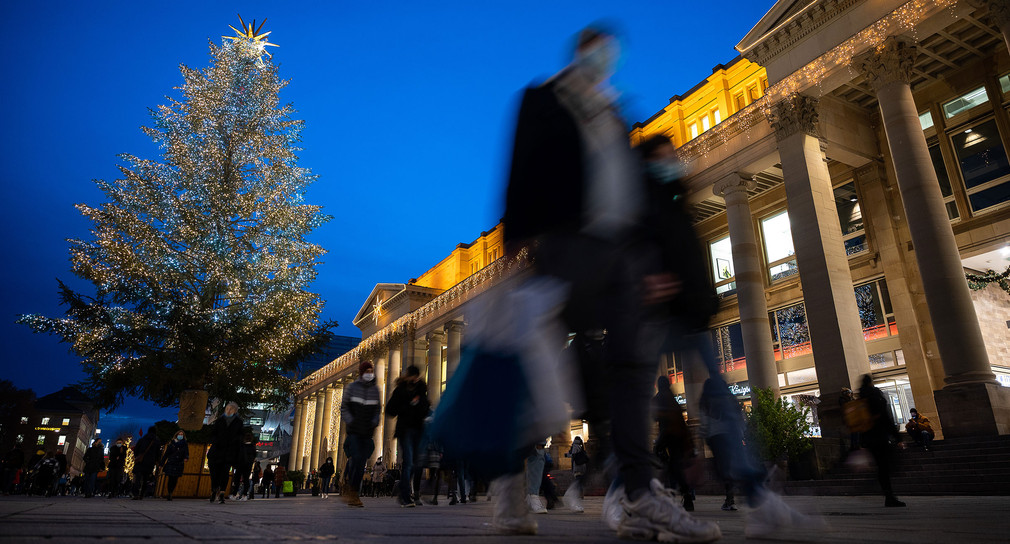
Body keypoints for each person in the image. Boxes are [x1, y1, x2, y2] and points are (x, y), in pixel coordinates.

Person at [501, 25, 721, 541]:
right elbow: (522, 165)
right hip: (564, 244)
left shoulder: (614, 112)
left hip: (622, 254)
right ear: (580, 51)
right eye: (597, 48)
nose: (605, 57)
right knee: (544, 370)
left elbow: (629, 187)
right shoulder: (544, 99)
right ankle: (510, 479)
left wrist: (656, 259)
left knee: (631, 367)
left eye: (611, 51)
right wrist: (515, 237)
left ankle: (641, 493)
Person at [384, 364, 430, 507]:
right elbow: (390, 410)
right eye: (412, 376)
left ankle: (403, 491)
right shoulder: (400, 390)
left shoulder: (422, 391)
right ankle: (405, 496)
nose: (414, 379)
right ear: (407, 376)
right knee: (409, 462)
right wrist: (406, 406)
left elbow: (426, 409)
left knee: (416, 464)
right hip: (405, 430)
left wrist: (420, 405)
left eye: (416, 377)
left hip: (418, 429)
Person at [860, 374, 906, 507]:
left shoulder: (860, 398)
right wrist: (898, 437)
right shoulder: (875, 395)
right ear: (871, 382)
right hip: (880, 436)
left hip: (868, 438)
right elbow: (885, 417)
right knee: (885, 465)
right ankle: (888, 495)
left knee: (881, 466)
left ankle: (887, 493)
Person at [340, 361, 381, 508]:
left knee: (361, 462)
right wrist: (351, 421)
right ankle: (353, 491)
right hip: (355, 430)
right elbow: (344, 407)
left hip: (367, 431)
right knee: (356, 459)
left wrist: (375, 422)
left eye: (371, 370)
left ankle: (353, 491)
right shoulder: (352, 387)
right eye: (367, 371)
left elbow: (377, 410)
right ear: (362, 372)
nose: (369, 373)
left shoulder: (375, 390)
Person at [653, 375, 694, 511]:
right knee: (673, 466)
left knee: (671, 466)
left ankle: (671, 495)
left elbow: (655, 416)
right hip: (677, 437)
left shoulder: (660, 398)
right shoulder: (672, 399)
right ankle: (680, 494)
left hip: (668, 436)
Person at [207, 402, 244, 504]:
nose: (228, 410)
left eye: (231, 409)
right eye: (227, 408)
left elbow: (240, 436)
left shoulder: (238, 422)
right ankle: (214, 489)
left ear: (235, 411)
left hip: (229, 453)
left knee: (225, 473)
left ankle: (222, 492)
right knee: (214, 473)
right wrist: (216, 441)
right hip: (217, 451)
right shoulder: (219, 420)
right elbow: (213, 434)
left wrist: (235, 443)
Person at [131, 428, 161, 500]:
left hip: (140, 461)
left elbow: (136, 449)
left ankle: (136, 493)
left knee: (138, 478)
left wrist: (137, 457)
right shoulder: (156, 441)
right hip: (150, 462)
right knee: (145, 479)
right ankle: (142, 494)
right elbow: (158, 453)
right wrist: (156, 461)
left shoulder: (142, 439)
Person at [160, 430, 189, 500]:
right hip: (172, 462)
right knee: (170, 478)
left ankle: (171, 492)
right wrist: (161, 464)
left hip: (179, 463)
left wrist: (186, 457)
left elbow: (187, 452)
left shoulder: (185, 444)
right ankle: (169, 492)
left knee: (175, 479)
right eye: (179, 434)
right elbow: (166, 454)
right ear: (176, 435)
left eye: (182, 434)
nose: (180, 435)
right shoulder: (171, 444)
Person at [564, 437, 588, 513]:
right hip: (582, 465)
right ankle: (581, 493)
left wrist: (567, 455)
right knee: (579, 479)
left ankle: (578, 493)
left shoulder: (574, 446)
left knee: (577, 480)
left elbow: (573, 455)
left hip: (577, 466)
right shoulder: (581, 446)